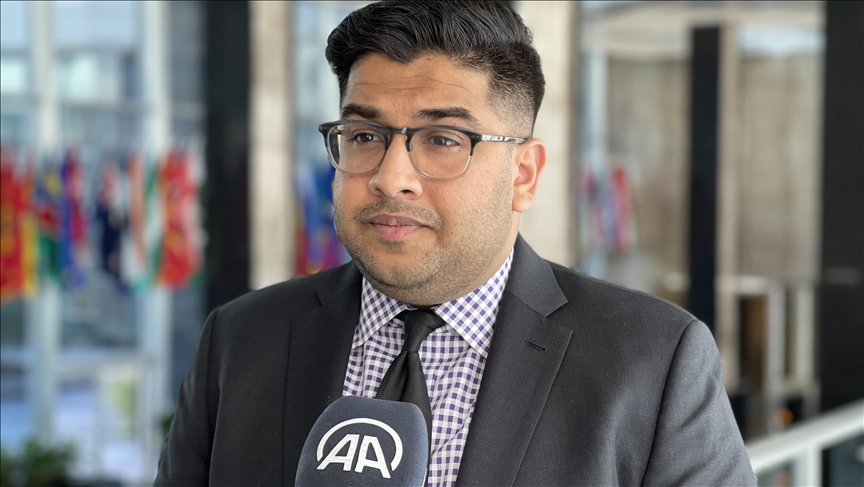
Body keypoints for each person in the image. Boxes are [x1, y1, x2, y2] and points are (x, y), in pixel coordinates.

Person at [155, 1, 755, 485]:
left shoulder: (653, 360)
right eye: (364, 135)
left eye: (442, 139)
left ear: (523, 174)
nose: (391, 177)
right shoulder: (240, 341)